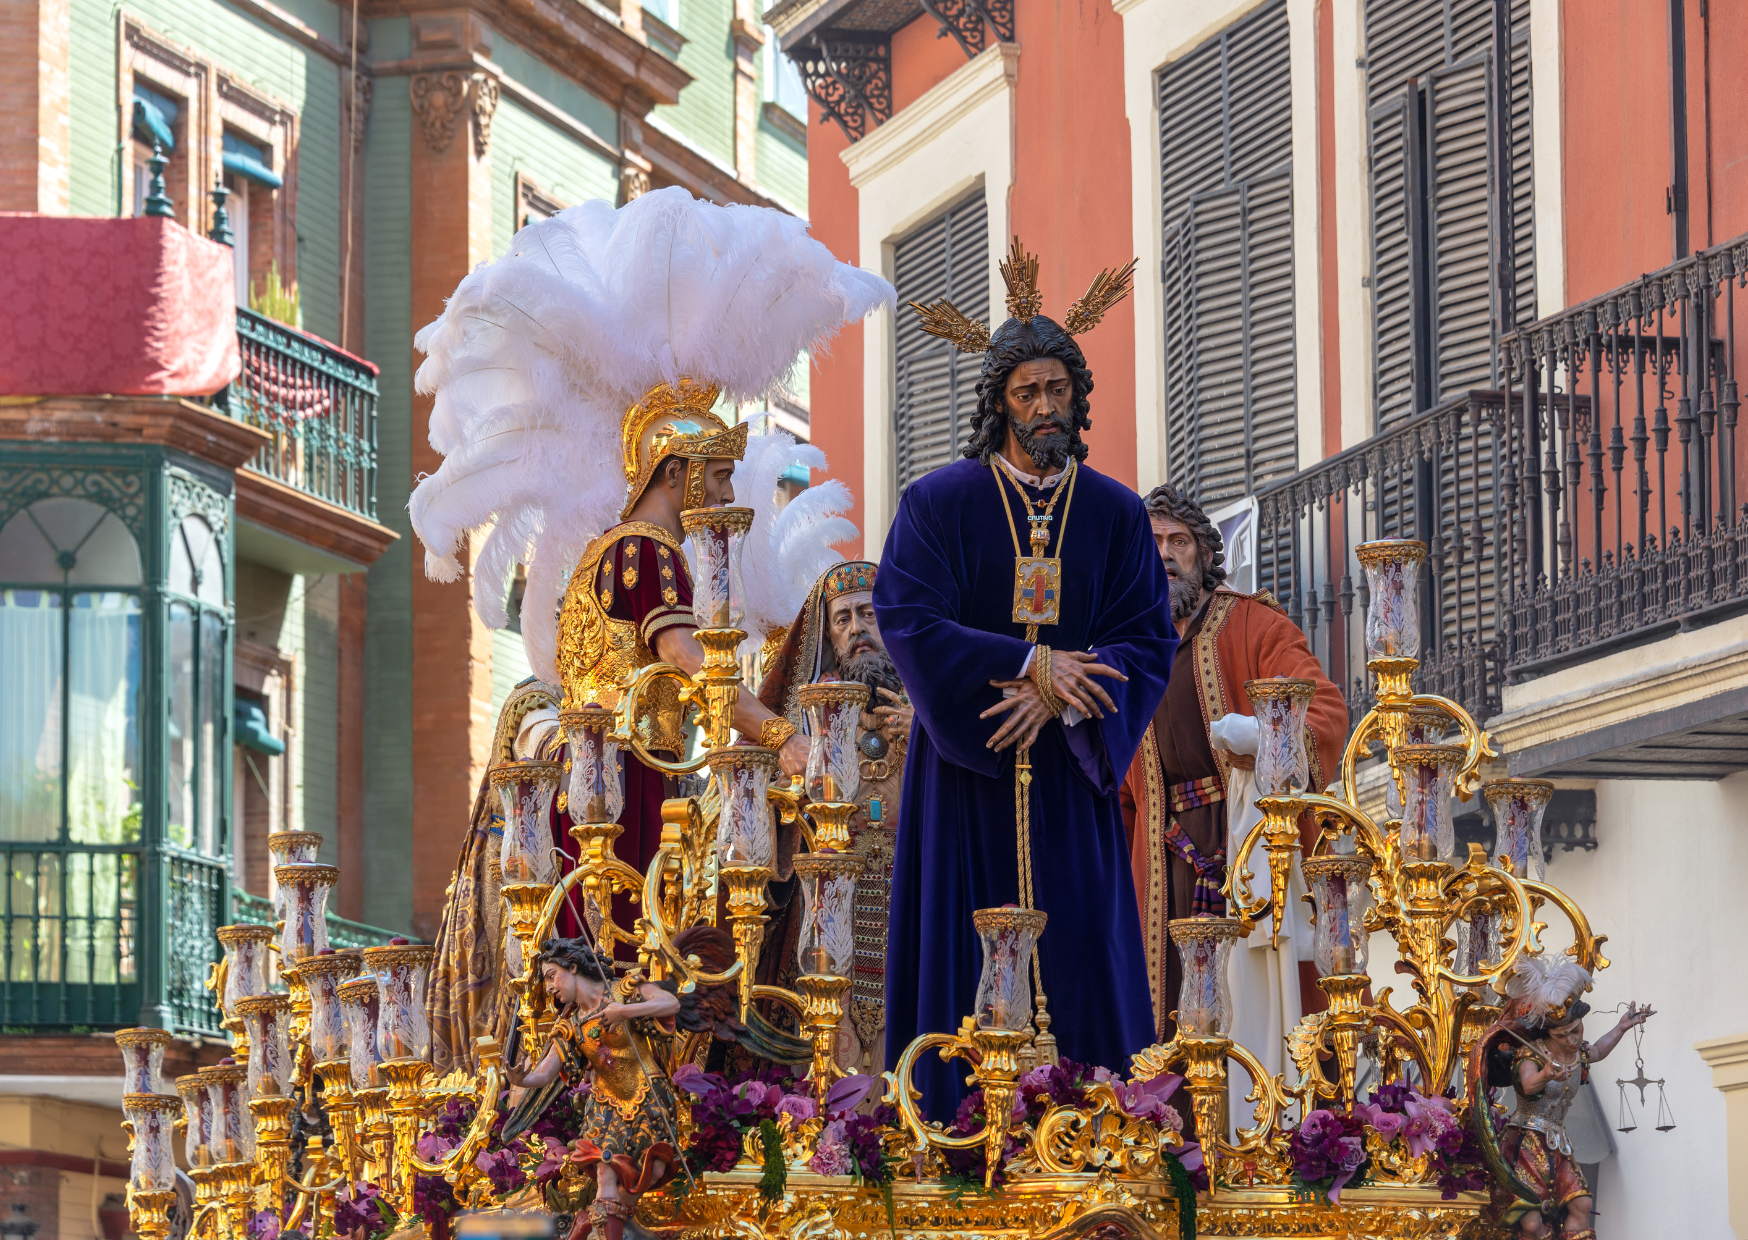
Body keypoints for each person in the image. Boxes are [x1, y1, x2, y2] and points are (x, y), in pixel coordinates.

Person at [408, 188, 891, 981]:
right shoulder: (644, 554)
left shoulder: (622, 550)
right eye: (722, 477)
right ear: (679, 473)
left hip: (640, 773)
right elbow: (690, 659)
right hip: (619, 787)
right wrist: (782, 736)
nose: (734, 499)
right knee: (622, 970)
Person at [875, 241, 1175, 1117]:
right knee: (958, 966)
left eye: (1058, 389)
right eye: (1027, 391)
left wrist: (1064, 691)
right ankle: (951, 1140)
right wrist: (1025, 661)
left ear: (1079, 397)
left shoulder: (1117, 514)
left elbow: (1145, 638)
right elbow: (908, 619)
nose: (1046, 406)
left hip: (1069, 784)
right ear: (999, 402)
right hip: (966, 777)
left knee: (1083, 956)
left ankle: (1098, 1138)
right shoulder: (938, 503)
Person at [1117, 485, 1347, 1078]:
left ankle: (1261, 1131)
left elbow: (1322, 710)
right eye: (1153, 543)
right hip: (1161, 860)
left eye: (1180, 542)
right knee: (1165, 1017)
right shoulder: (1124, 653)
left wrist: (1262, 738)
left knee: (1257, 1008)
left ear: (1203, 555)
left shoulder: (1254, 624)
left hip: (1247, 844)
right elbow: (1110, 790)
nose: (1165, 554)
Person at [737, 560, 913, 1074]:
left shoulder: (925, 709)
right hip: (826, 916)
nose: (856, 628)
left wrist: (926, 740)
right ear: (828, 634)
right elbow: (762, 815)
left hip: (909, 903)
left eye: (867, 614)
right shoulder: (802, 721)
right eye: (842, 619)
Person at [504, 938, 682, 1240]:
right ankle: (603, 1227)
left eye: (551, 976)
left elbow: (671, 1003)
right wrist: (520, 1080)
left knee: (651, 1173)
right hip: (605, 1105)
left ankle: (593, 1220)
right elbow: (546, 1072)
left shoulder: (623, 990)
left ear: (573, 967)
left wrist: (625, 1012)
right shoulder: (570, 1024)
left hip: (648, 1096)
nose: (549, 987)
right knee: (605, 1170)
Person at [1481, 955, 1655, 1240]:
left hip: (1557, 1141)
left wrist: (1623, 1027)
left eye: (1576, 1031)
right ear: (1549, 1033)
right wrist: (1546, 1075)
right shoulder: (1532, 1053)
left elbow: (1598, 1050)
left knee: (1581, 1203)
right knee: (1532, 1222)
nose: (1572, 1040)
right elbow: (1527, 1084)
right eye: (1563, 1036)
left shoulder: (1579, 1053)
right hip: (1526, 1140)